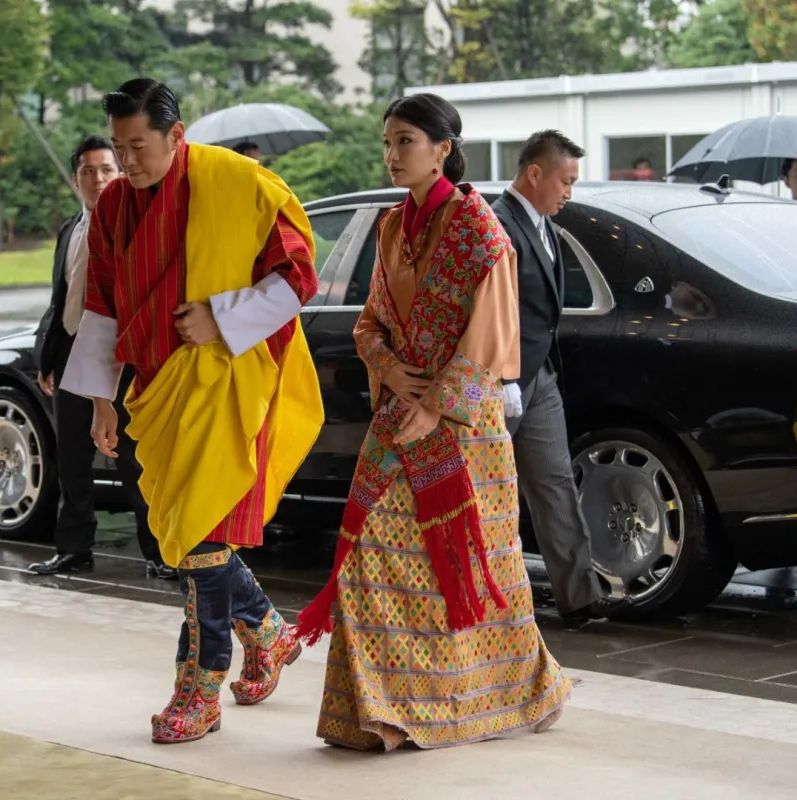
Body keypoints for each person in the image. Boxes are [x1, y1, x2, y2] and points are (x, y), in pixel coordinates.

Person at [295, 95, 569, 751]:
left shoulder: (479, 232)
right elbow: (370, 324)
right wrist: (389, 372)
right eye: (387, 141)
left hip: (461, 436)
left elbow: (492, 341)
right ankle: (381, 714)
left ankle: (511, 695)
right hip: (398, 420)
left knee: (475, 575)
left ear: (443, 148)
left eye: (406, 141)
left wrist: (434, 404)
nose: (392, 155)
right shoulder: (392, 227)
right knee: (369, 566)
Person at [60, 78, 322, 744]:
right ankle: (268, 633)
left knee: (199, 543)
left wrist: (223, 317)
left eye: (140, 146)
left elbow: (298, 278)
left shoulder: (238, 183)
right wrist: (100, 401)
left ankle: (200, 688)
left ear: (177, 136)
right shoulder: (115, 205)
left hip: (222, 377)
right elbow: (102, 306)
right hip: (156, 390)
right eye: (120, 148)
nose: (129, 161)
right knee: (187, 536)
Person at [491, 130, 627, 627]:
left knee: (555, 486)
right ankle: (484, 602)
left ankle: (579, 598)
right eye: (565, 180)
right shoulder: (496, 223)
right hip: (497, 380)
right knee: (488, 495)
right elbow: (491, 311)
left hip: (541, 375)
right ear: (534, 173)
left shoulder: (548, 225)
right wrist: (504, 375)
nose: (569, 191)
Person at [28, 135, 176, 580]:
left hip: (123, 353)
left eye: (106, 170)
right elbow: (62, 300)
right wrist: (48, 357)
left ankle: (157, 551)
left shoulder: (134, 223)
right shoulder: (70, 229)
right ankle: (74, 548)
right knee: (70, 457)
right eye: (88, 172)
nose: (98, 179)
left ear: (121, 173)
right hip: (73, 353)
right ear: (76, 180)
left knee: (133, 456)